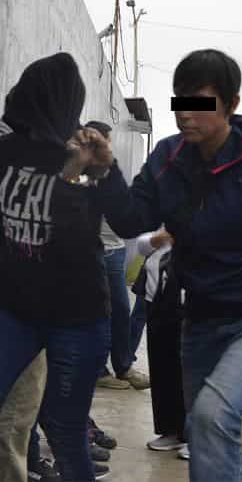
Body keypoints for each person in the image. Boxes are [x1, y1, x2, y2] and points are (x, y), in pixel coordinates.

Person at [69, 49, 242, 481]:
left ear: (231, 105)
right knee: (203, 428)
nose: (186, 115)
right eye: (181, 102)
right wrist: (105, 170)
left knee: (214, 415)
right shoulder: (167, 159)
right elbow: (130, 220)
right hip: (202, 318)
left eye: (200, 104)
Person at [0, 53, 115, 482]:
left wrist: (81, 173)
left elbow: (82, 237)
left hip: (76, 317)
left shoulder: (79, 157)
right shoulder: (5, 151)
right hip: (16, 311)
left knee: (64, 430)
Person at [0, 89, 49, 482]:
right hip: (15, 307)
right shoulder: (3, 158)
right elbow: (5, 236)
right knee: (13, 418)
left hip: (21, 305)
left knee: (18, 417)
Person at [82, 121, 151, 392]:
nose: (107, 147)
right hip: (93, 253)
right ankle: (100, 371)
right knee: (97, 314)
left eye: (108, 142)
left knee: (121, 310)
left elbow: (128, 214)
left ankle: (123, 367)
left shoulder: (110, 175)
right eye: (102, 142)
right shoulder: (79, 175)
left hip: (115, 251)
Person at [133, 228, 188, 456]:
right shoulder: (167, 206)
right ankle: (170, 430)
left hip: (192, 302)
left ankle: (194, 436)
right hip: (157, 297)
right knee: (162, 366)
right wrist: (158, 239)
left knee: (189, 371)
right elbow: (142, 245)